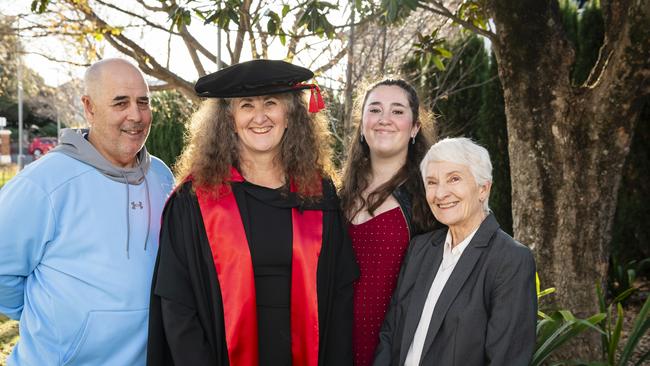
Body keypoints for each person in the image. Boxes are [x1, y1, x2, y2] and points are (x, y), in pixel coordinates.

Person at [147, 59, 359, 366]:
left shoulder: (319, 194)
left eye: (271, 103)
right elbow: (178, 304)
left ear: (290, 116)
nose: (260, 117)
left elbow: (340, 294)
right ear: (230, 120)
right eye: (247, 105)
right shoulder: (196, 200)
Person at [0, 58, 174, 365]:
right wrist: (51, 317)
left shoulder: (161, 175)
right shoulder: (43, 183)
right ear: (89, 108)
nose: (135, 115)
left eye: (143, 102)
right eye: (120, 102)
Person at [373, 137, 537, 366]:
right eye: (432, 182)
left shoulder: (510, 260)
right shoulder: (420, 249)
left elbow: (507, 359)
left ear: (483, 188)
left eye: (454, 179)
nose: (440, 194)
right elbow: (390, 333)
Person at [338, 79, 438, 366]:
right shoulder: (336, 197)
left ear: (415, 128)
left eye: (397, 111)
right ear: (361, 123)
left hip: (395, 351)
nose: (384, 120)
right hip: (335, 345)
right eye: (375, 110)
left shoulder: (430, 200)